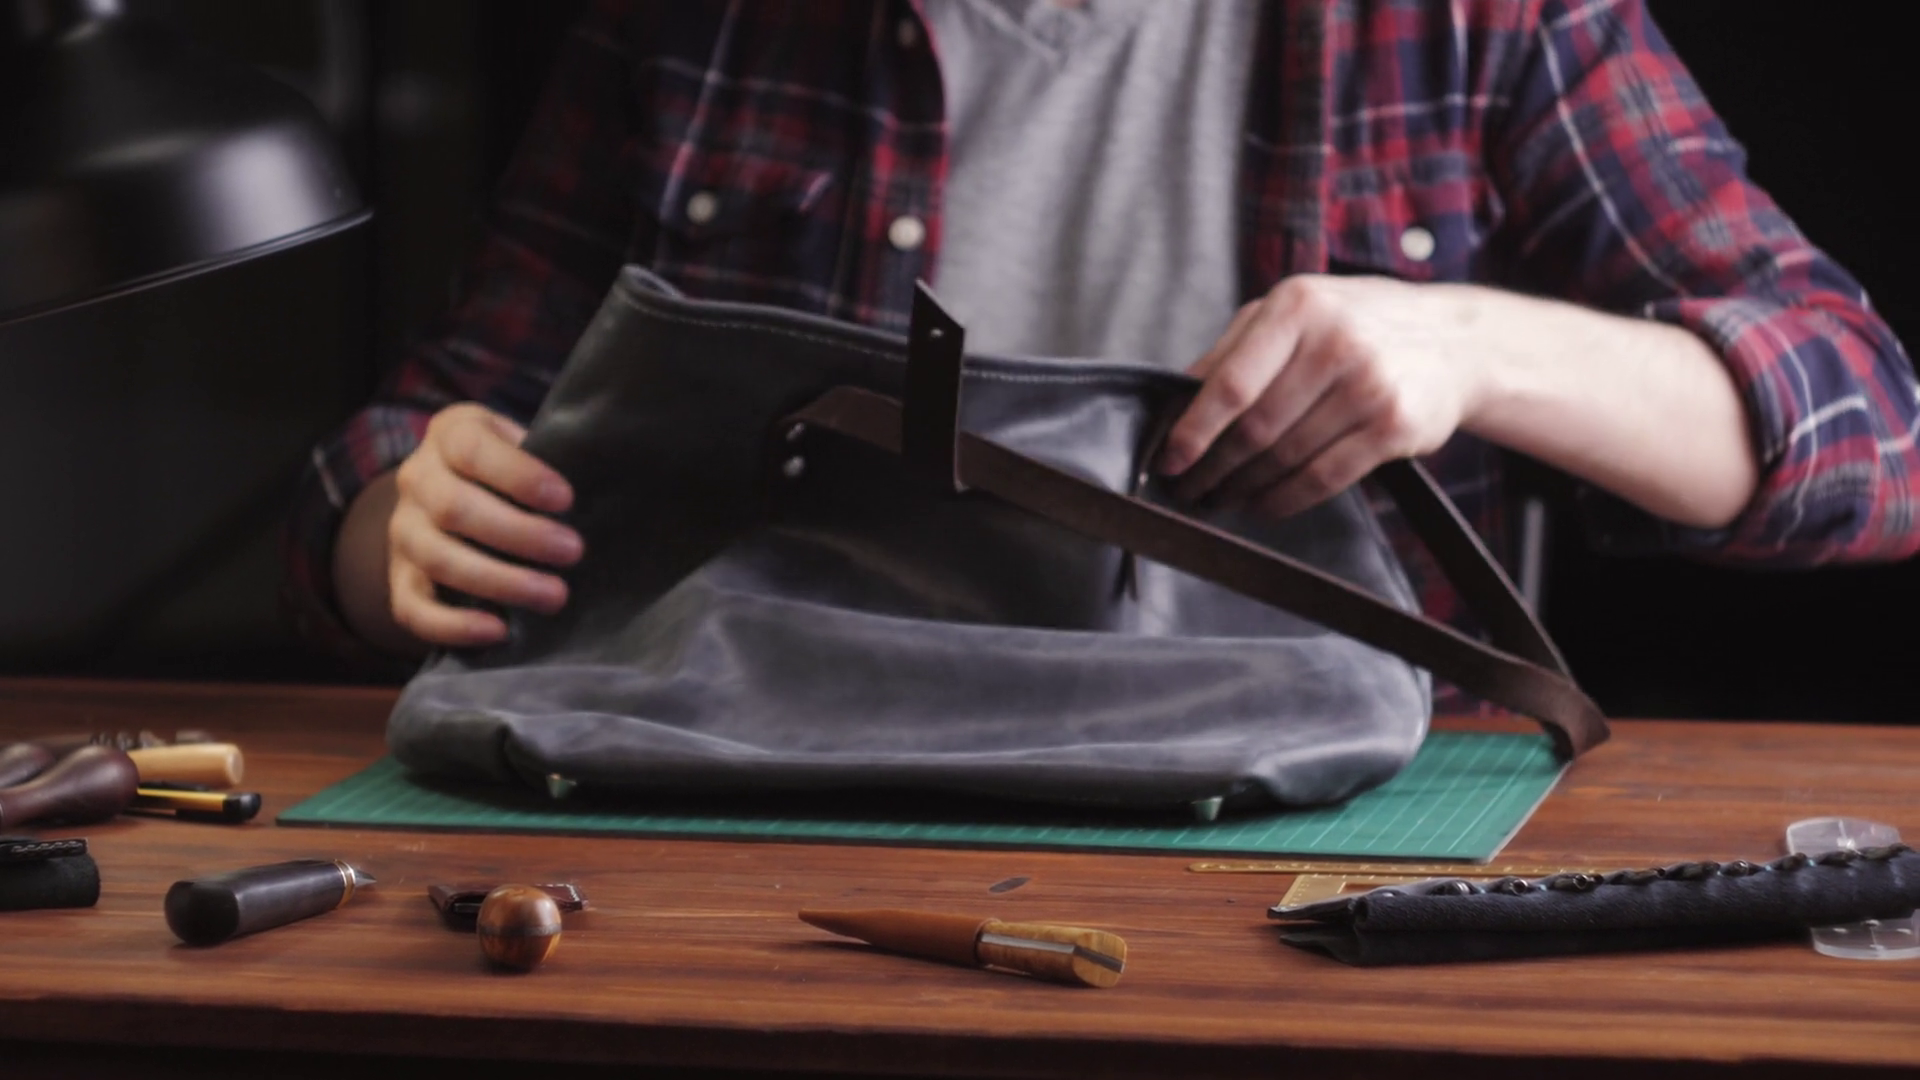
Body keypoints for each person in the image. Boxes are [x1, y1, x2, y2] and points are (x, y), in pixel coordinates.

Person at [284, 0, 1920, 670]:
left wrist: (1476, 349)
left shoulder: (1472, 19)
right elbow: (408, 448)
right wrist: (406, 526)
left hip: (1340, 848)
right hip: (775, 814)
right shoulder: (697, 23)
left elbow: (1875, 431)